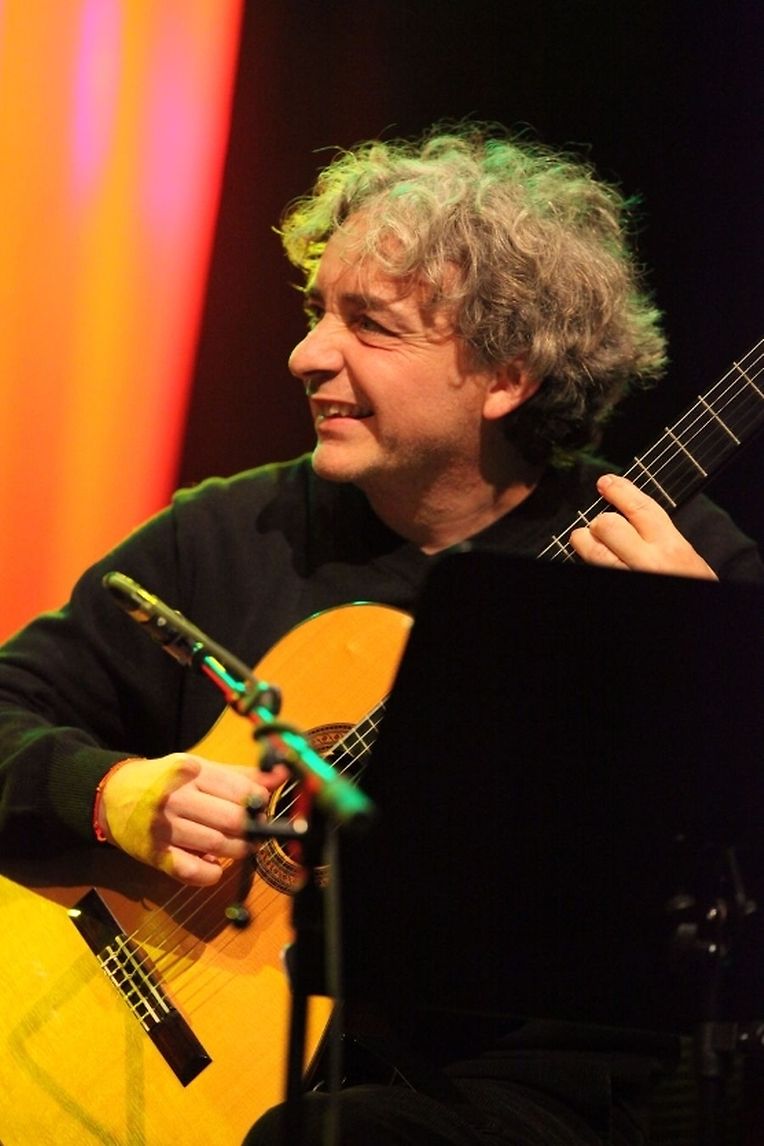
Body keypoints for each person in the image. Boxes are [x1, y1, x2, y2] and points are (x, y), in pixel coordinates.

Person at [0, 124, 761, 1144]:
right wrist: (115, 795)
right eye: (318, 312)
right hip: (201, 1036)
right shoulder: (228, 533)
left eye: (370, 324)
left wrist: (708, 674)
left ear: (506, 374)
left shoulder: (677, 561)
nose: (306, 354)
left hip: (512, 1089)